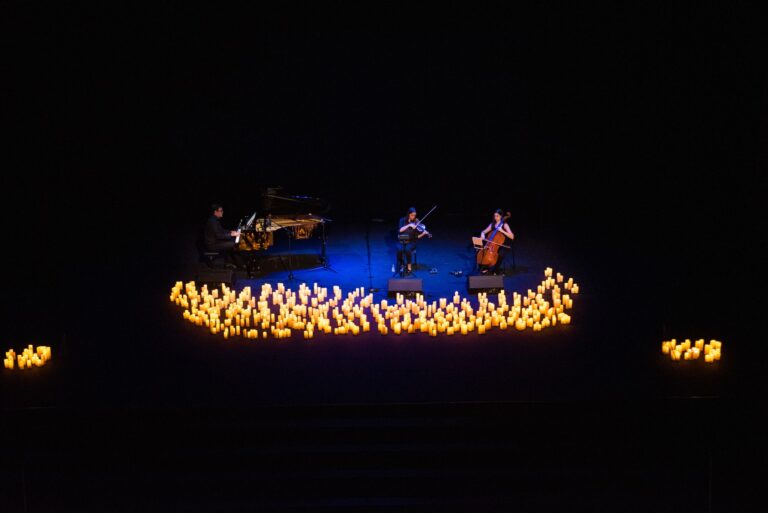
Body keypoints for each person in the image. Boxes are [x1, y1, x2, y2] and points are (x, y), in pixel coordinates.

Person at [204, 204, 241, 269]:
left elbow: (221, 230)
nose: (222, 212)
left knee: (231, 241)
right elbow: (219, 235)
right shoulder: (212, 221)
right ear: (215, 212)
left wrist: (230, 232)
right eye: (221, 211)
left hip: (216, 242)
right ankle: (239, 264)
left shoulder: (214, 220)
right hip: (212, 245)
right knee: (234, 244)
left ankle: (230, 262)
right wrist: (231, 235)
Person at [478, 209, 514, 274]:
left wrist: (502, 231)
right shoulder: (492, 224)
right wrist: (482, 236)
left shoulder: (504, 225)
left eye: (497, 216)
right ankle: (485, 267)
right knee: (481, 251)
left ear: (501, 216)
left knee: (500, 253)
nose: (495, 218)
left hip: (504, 243)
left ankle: (496, 270)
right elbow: (483, 232)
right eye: (494, 216)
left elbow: (512, 236)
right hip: (493, 244)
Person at [397, 207, 430, 275]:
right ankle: (402, 264)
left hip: (412, 241)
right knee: (399, 249)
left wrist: (423, 234)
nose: (413, 217)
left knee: (407, 250)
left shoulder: (416, 223)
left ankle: (409, 266)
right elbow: (400, 230)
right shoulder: (402, 220)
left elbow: (416, 237)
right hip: (402, 240)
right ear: (408, 214)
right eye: (412, 215)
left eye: (414, 215)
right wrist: (409, 225)